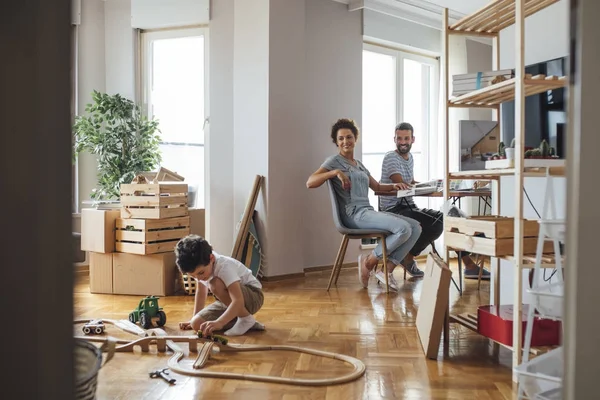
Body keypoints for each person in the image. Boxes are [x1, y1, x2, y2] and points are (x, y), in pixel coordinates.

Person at [306, 118, 424, 291]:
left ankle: (386, 270)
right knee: (404, 228)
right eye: (341, 139)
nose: (345, 141)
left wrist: (394, 185)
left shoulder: (359, 164)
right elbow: (310, 182)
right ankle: (369, 262)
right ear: (336, 142)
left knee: (416, 227)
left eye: (349, 137)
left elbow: (376, 186)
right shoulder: (333, 161)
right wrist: (335, 172)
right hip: (353, 215)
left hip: (367, 212)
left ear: (355, 139)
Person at [379, 122, 490, 279]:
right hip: (394, 209)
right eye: (399, 138)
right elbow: (401, 182)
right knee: (441, 221)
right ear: (394, 139)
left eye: (406, 138)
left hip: (409, 206)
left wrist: (431, 185)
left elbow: (410, 182)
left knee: (449, 216)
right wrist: (423, 186)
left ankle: (468, 264)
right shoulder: (391, 157)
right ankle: (467, 265)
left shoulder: (409, 158)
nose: (403, 142)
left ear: (413, 139)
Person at [175, 234, 266, 336]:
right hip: (228, 301)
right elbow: (201, 292)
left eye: (200, 273)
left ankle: (246, 319)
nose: (199, 278)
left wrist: (220, 322)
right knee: (197, 324)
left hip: (253, 297)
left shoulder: (224, 267)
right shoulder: (201, 267)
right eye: (193, 276)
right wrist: (193, 320)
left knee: (215, 284)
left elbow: (238, 300)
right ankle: (246, 322)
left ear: (212, 258)